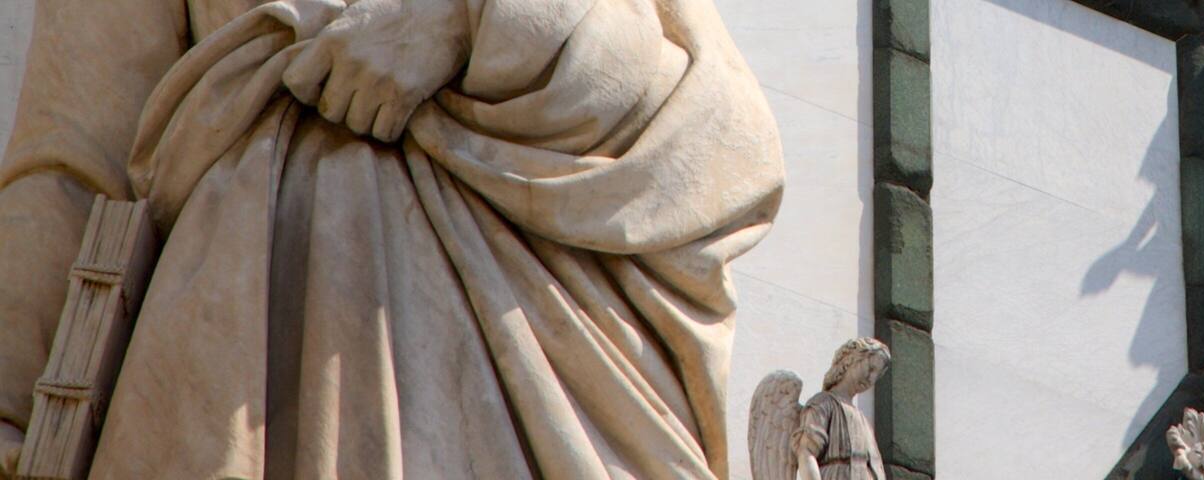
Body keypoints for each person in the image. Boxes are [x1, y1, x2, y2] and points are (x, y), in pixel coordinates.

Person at [0, 0, 783, 477]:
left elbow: (721, 145)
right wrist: (10, 409)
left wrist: (465, 20)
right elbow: (71, 160)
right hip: (247, 332)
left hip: (544, 345)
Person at [792, 339, 892, 480]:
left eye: (877, 375)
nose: (871, 378)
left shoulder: (862, 419)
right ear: (849, 360)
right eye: (870, 368)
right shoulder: (823, 403)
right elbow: (806, 452)